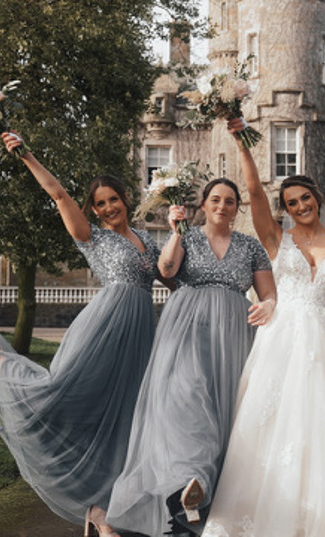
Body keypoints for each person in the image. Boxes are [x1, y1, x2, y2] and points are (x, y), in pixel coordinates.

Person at [0, 132, 162, 537]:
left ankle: (101, 512)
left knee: (126, 418)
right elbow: (60, 195)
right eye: (99, 203)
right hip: (106, 327)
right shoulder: (92, 237)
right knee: (62, 396)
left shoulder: (147, 243)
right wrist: (27, 154)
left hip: (139, 334)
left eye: (113, 199)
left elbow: (170, 279)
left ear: (125, 199)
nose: (107, 208)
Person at [199, 119, 325, 537]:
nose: (300, 206)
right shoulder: (275, 239)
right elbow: (252, 193)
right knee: (273, 425)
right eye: (291, 202)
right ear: (284, 209)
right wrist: (243, 144)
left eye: (305, 198)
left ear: (318, 198)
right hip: (281, 338)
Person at [105, 177, 276, 537]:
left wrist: (270, 304)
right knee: (185, 402)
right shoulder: (189, 236)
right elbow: (166, 271)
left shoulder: (250, 247)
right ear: (203, 203)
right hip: (185, 330)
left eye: (230, 201)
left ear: (237, 208)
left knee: (221, 413)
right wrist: (177, 231)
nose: (222, 206)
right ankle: (186, 482)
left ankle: (193, 508)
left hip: (232, 337)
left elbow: (269, 295)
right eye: (215, 199)